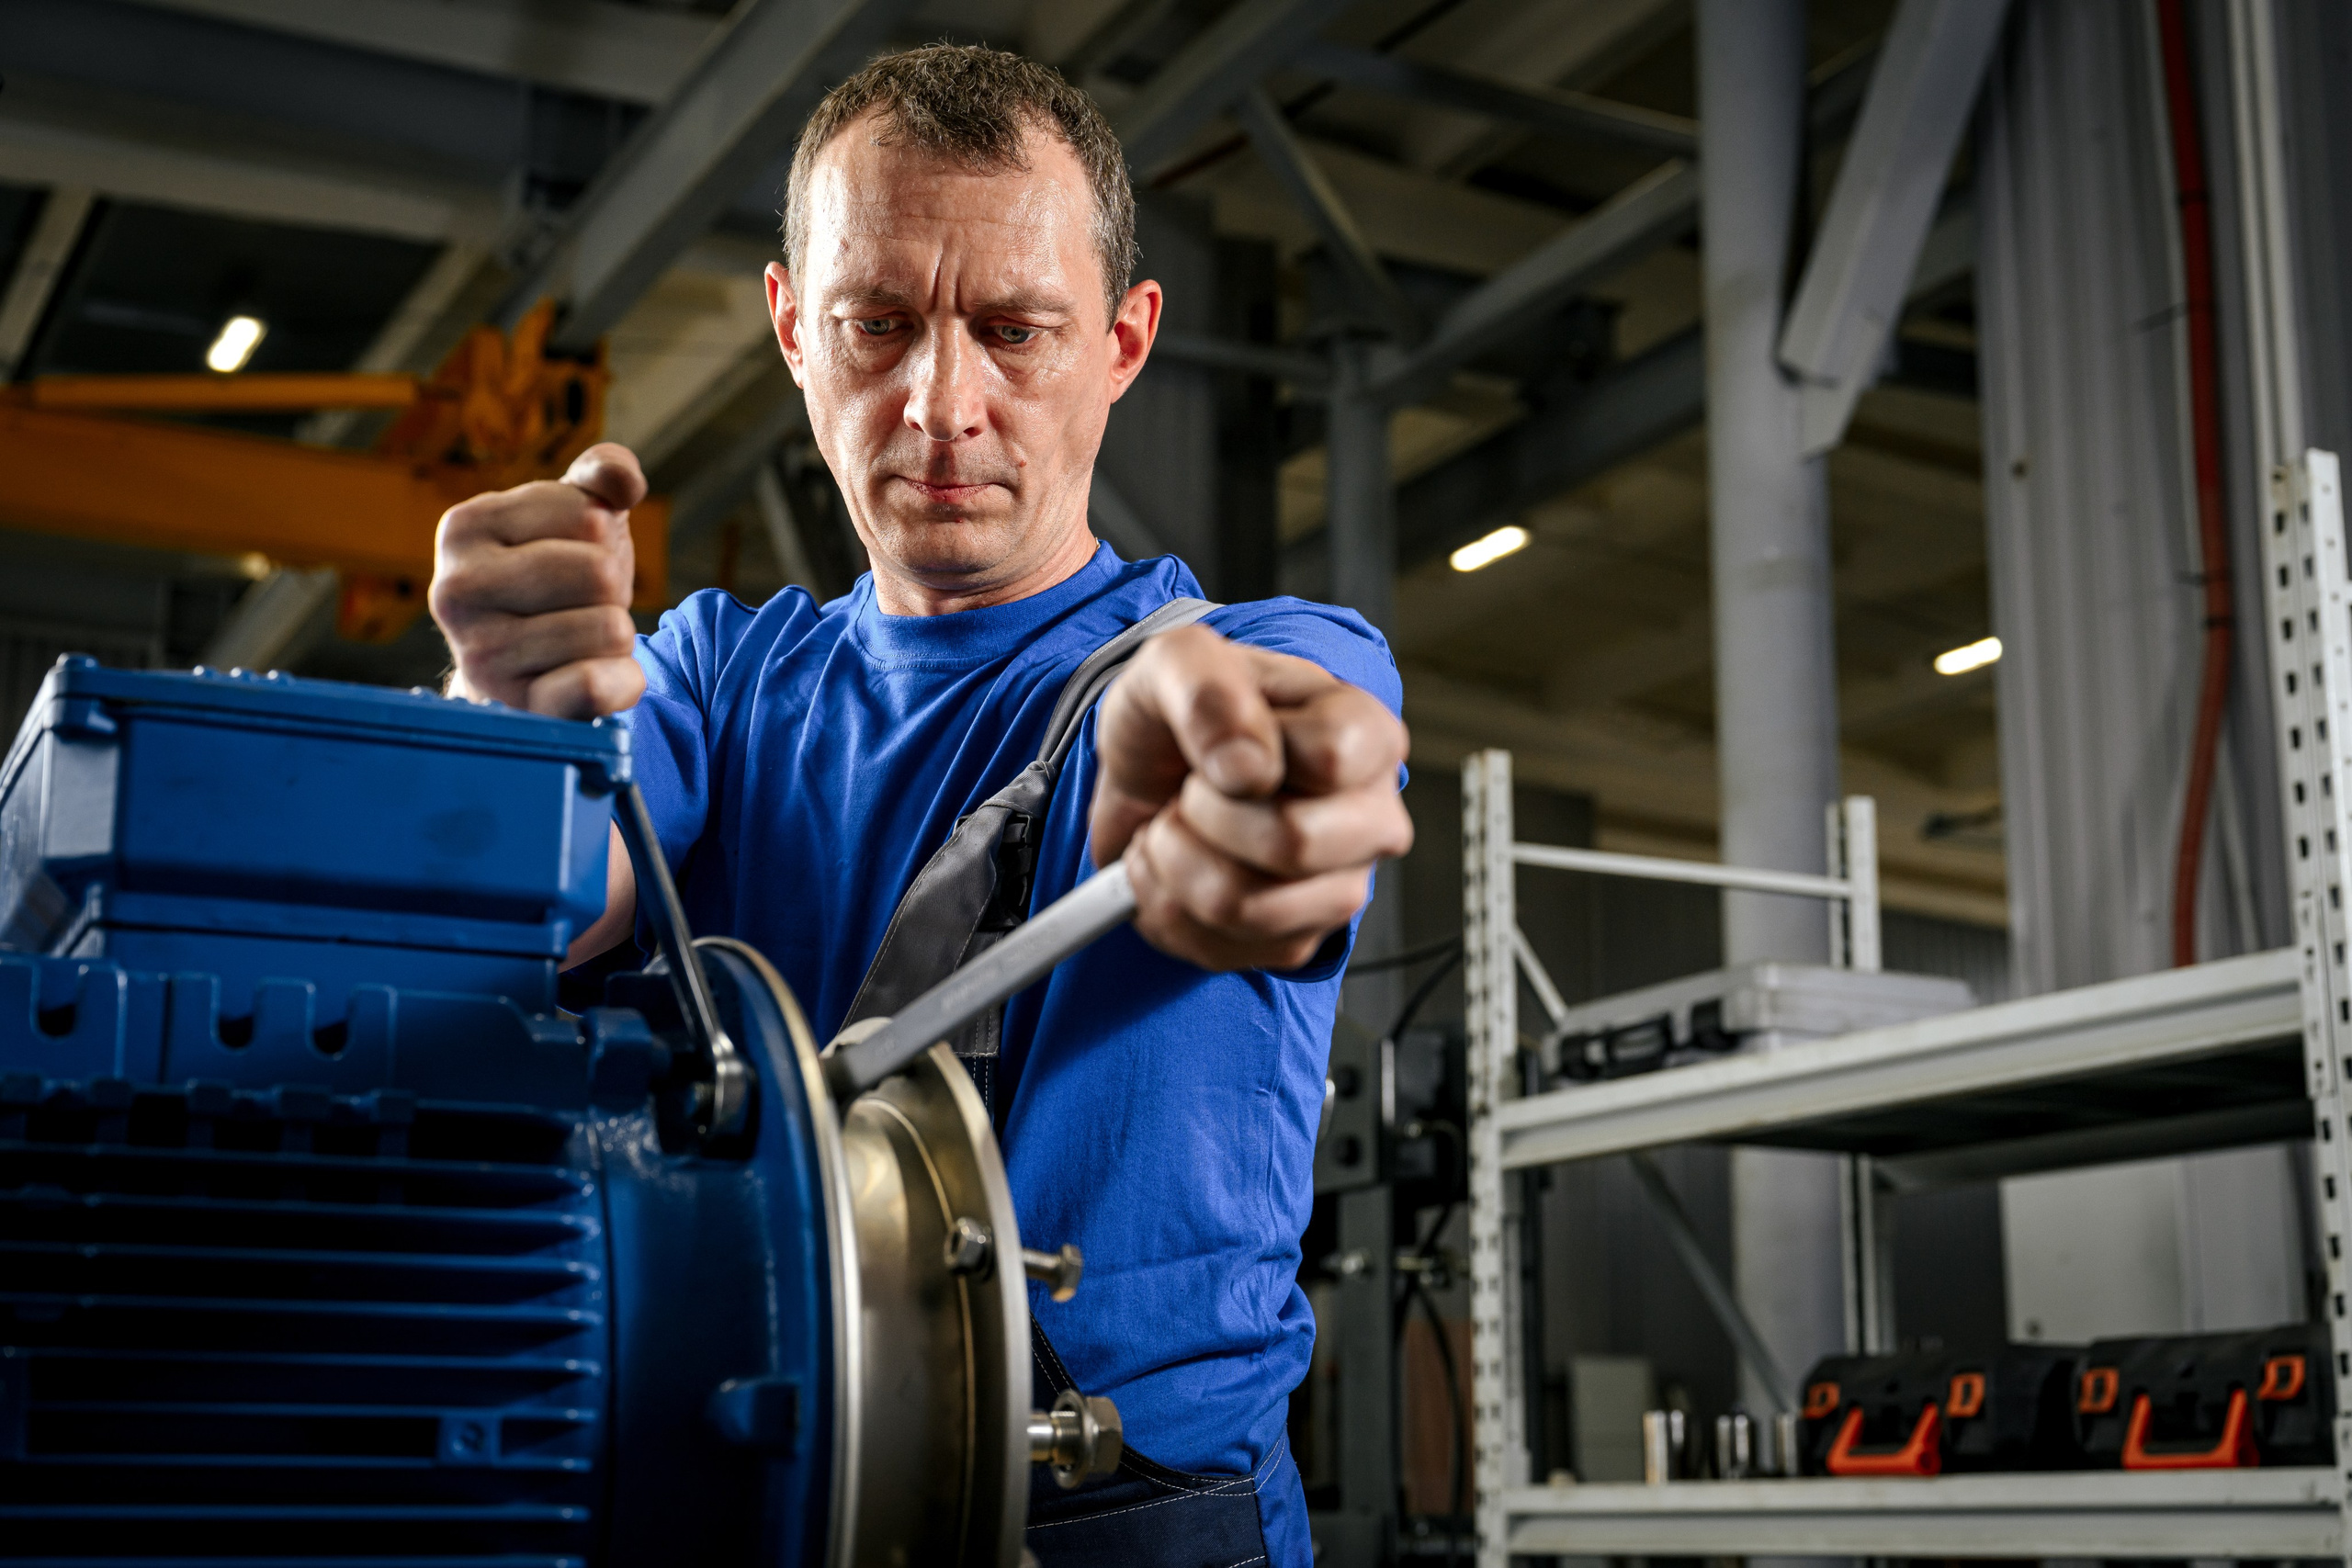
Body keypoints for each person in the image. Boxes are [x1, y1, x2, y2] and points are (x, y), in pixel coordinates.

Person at [428, 42, 1410, 1568]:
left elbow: (1291, 750)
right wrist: (498, 721)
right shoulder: (708, 678)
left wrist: (1253, 798)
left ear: (1124, 344)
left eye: (1016, 331)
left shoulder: (1268, 659)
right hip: (754, 1497)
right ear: (790, 329)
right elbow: (529, 895)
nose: (943, 405)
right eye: (876, 325)